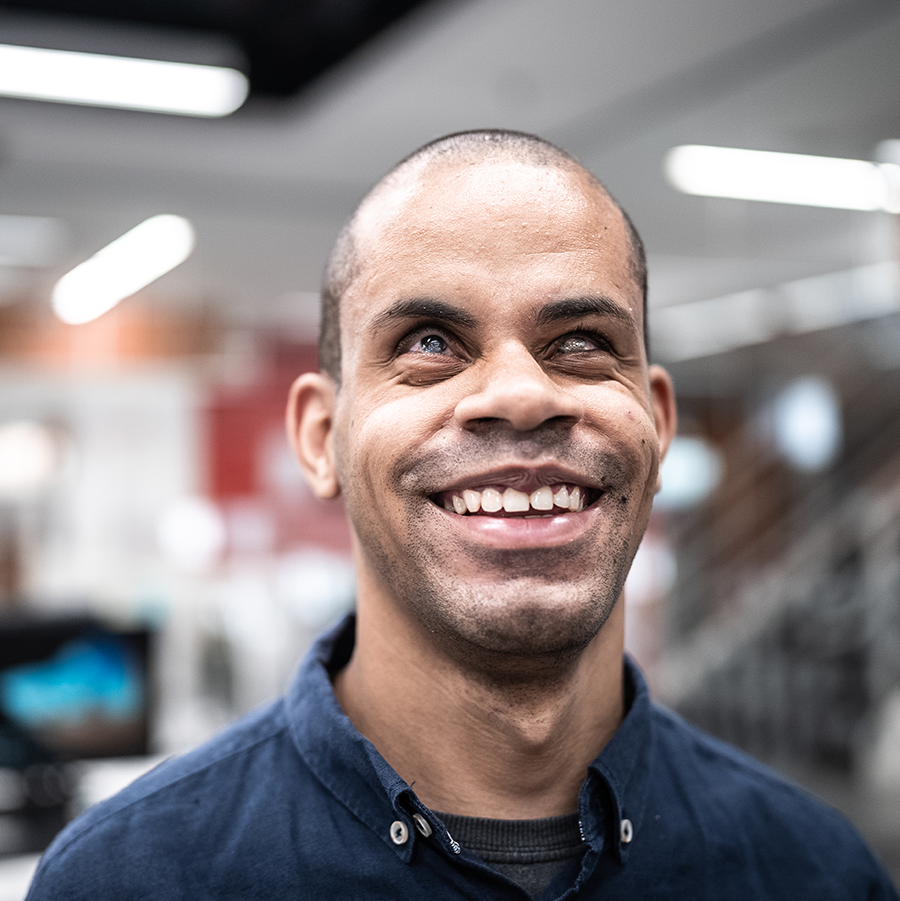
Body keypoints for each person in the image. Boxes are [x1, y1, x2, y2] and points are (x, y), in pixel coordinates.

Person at [27, 130, 898, 900]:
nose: (520, 393)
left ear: (659, 427)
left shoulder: (814, 869)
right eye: (430, 344)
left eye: (581, 342)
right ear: (321, 438)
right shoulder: (129, 879)